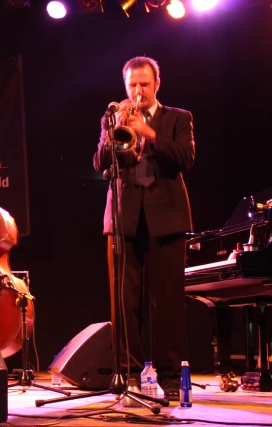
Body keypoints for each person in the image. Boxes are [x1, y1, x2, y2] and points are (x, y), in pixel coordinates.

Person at [93, 56, 195, 395]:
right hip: (124, 219)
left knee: (167, 303)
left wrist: (147, 132)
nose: (138, 91)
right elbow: (99, 163)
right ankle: (129, 376)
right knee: (124, 302)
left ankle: (168, 378)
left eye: (144, 85)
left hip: (166, 219)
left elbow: (185, 159)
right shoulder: (113, 118)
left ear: (157, 84)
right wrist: (113, 132)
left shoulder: (178, 118)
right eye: (132, 85)